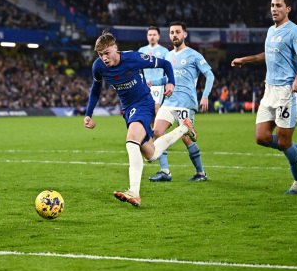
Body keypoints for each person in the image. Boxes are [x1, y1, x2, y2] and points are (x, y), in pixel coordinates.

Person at [84, 32, 197, 207]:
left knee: (131, 141)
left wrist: (171, 83)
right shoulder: (98, 67)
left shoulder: (134, 58)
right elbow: (96, 89)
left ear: (115, 48)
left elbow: (166, 64)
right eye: (100, 54)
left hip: (144, 104)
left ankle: (134, 192)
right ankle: (184, 128)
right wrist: (88, 114)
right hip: (129, 110)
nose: (104, 58)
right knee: (151, 155)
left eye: (107, 53)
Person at [231, 0, 297, 195]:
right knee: (261, 137)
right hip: (269, 90)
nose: (274, 9)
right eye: (272, 5)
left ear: (288, 9)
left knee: (284, 142)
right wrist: (245, 59)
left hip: (287, 91)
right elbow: (266, 55)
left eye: (278, 5)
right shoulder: (271, 30)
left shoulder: (294, 31)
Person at [147, 22, 215, 182]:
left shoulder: (194, 55)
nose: (174, 35)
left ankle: (200, 173)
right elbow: (167, 79)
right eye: (172, 32)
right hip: (169, 102)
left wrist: (205, 96)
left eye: (178, 32)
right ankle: (164, 171)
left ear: (185, 34)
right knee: (157, 132)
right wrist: (153, 82)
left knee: (186, 138)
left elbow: (210, 75)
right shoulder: (168, 56)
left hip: (185, 103)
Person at [138, 26, 169, 112]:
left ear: (158, 36)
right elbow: (137, 68)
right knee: (147, 110)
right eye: (150, 35)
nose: (152, 37)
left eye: (154, 35)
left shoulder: (164, 51)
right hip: (145, 84)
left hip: (158, 85)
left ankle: (156, 126)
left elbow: (168, 68)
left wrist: (167, 82)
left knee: (155, 107)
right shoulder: (142, 50)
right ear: (147, 36)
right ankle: (152, 126)